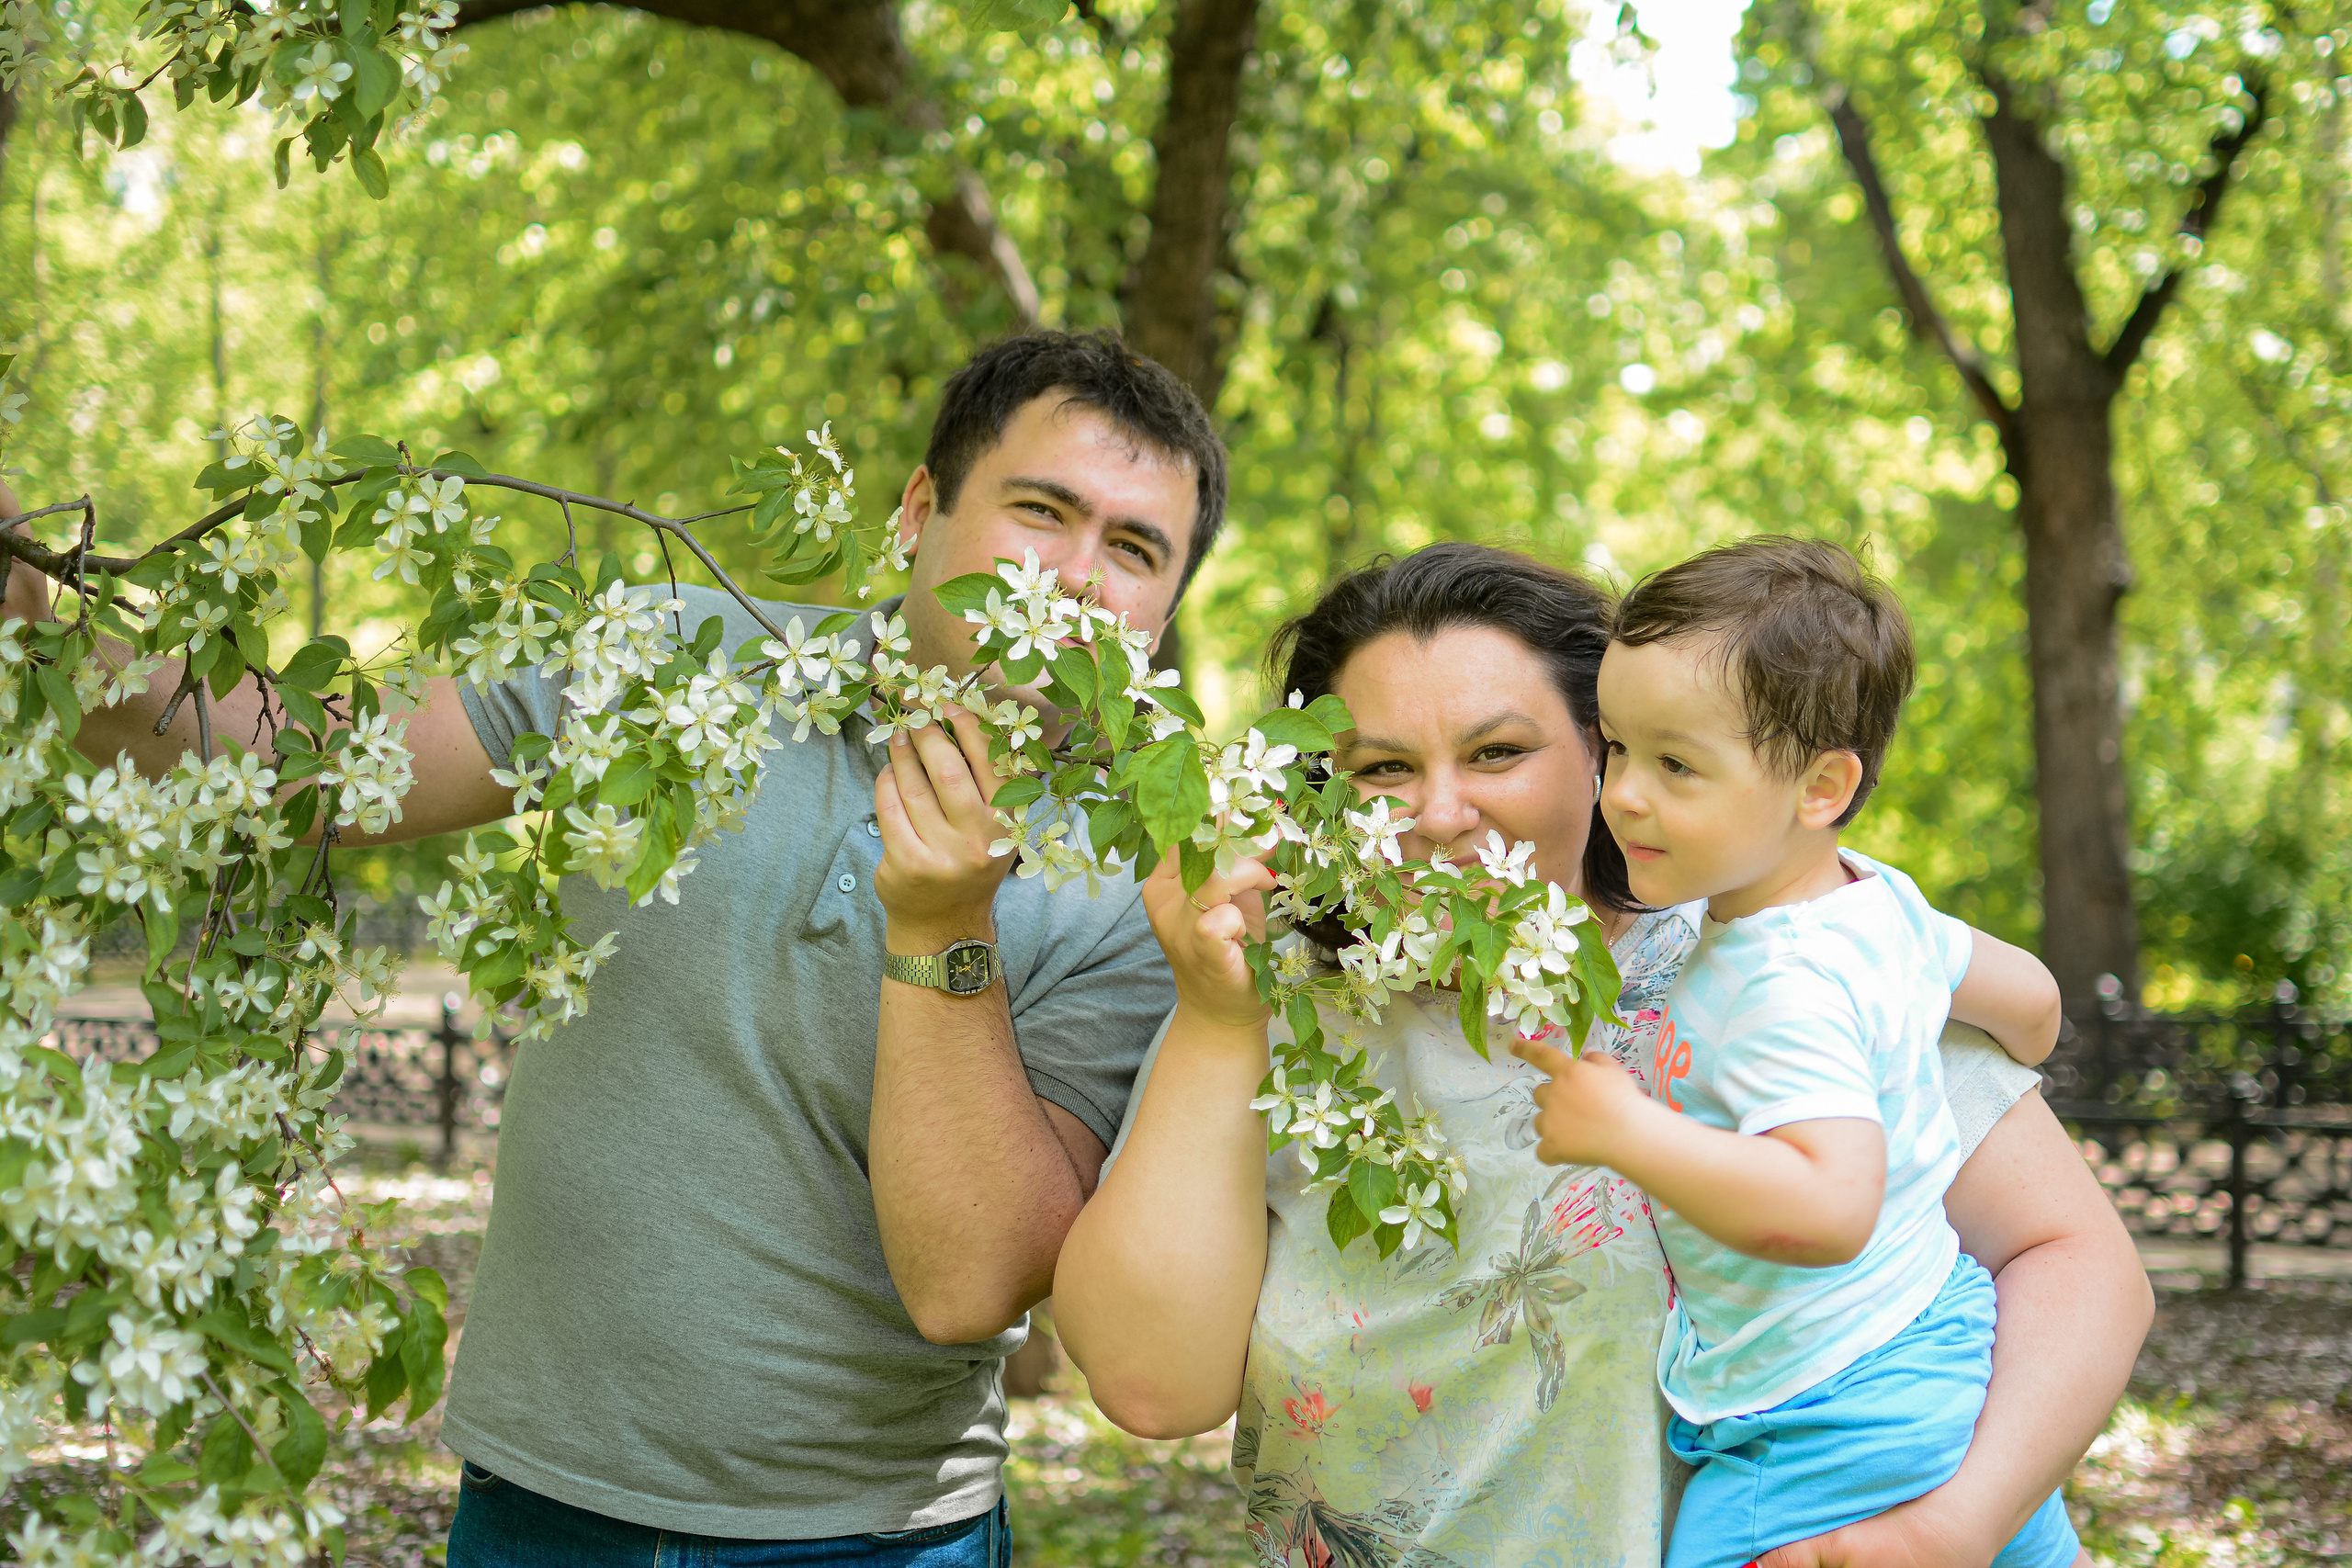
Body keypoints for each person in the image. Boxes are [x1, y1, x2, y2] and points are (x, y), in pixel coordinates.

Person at [0, 330, 1224, 1565]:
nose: (1072, 577)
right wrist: (46, 648)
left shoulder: (1148, 888)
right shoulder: (670, 652)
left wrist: (947, 923)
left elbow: (972, 1283)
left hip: (873, 1538)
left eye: (1132, 549)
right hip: (537, 1501)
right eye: (1040, 510)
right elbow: (320, 761)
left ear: (1163, 609)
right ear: (919, 510)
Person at [1053, 541, 2154, 1568]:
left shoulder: (1776, 954)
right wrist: (1212, 1021)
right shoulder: (1275, 1017)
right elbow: (1153, 1389)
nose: (1441, 813)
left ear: (1602, 754)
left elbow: (2078, 1260)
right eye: (1382, 769)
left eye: (1498, 751)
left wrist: (1955, 1529)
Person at [1509, 536, 2075, 1567]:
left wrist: (1627, 1131)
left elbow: (1826, 1208)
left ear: (1820, 788)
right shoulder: (1877, 902)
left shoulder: (1782, 985)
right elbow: (2032, 1000)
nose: (1623, 796)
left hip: (1822, 1408)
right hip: (1940, 1342)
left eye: (1676, 764)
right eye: (1619, 750)